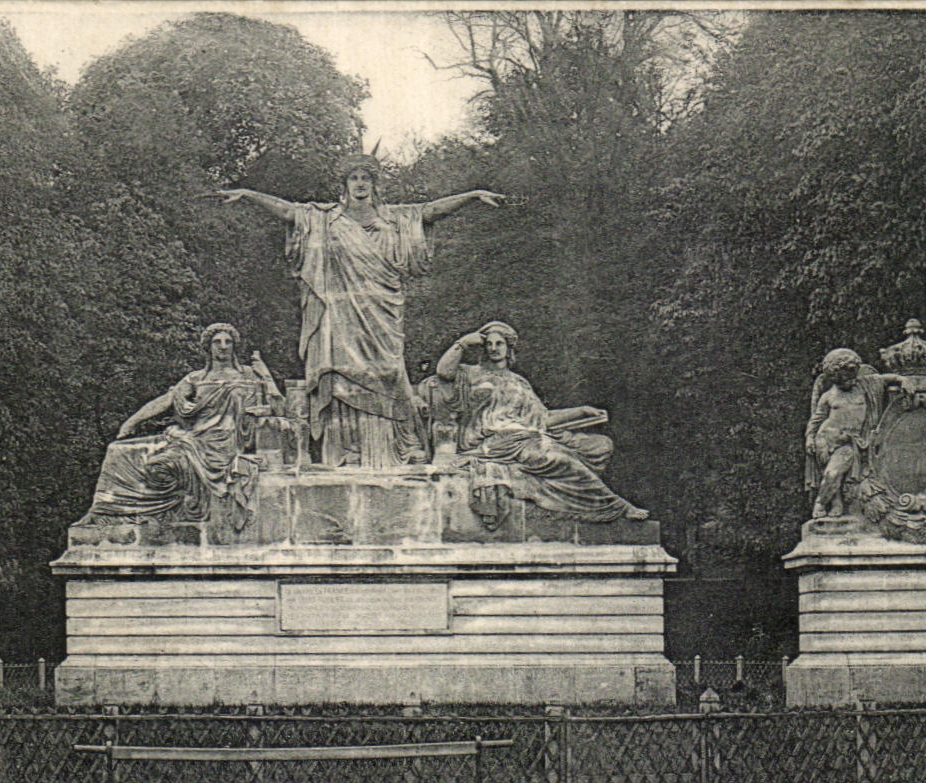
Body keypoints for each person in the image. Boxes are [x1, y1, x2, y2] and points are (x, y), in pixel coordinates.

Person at [217, 156, 503, 468]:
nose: (360, 183)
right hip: (340, 312)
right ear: (345, 184)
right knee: (341, 374)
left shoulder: (395, 218)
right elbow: (288, 211)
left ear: (374, 183)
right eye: (353, 177)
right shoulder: (324, 219)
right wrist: (248, 195)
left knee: (390, 372)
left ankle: (398, 447)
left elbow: (430, 211)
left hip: (382, 309)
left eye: (365, 177)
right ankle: (346, 451)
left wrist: (471, 196)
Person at [434, 322, 648, 529]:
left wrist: (581, 411)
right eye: (489, 344)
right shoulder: (472, 373)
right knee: (559, 459)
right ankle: (616, 506)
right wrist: (462, 343)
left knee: (590, 448)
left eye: (499, 343)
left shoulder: (520, 383)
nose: (493, 348)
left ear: (509, 348)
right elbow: (444, 372)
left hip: (525, 438)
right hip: (492, 443)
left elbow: (543, 418)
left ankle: (606, 505)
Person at [78, 323, 281, 530]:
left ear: (235, 346)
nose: (223, 346)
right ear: (208, 347)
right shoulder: (197, 378)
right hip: (194, 440)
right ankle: (101, 512)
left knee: (159, 465)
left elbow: (279, 408)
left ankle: (154, 514)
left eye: (228, 342)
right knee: (118, 451)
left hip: (228, 446)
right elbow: (166, 400)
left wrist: (266, 377)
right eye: (217, 342)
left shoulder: (248, 375)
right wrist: (131, 422)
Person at [805, 348, 890, 519]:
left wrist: (905, 381)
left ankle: (820, 502)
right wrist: (809, 438)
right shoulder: (828, 396)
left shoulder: (865, 386)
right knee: (834, 474)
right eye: (846, 379)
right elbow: (816, 419)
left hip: (850, 442)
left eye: (853, 377)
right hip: (825, 439)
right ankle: (836, 503)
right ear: (835, 378)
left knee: (833, 473)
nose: (851, 382)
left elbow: (887, 379)